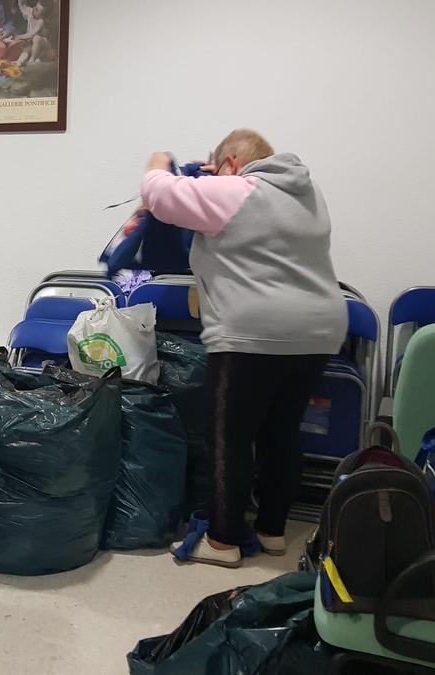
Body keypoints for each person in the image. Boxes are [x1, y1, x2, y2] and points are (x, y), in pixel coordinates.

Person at [136, 129, 347, 568]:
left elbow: (158, 193)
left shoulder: (234, 190)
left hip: (254, 331)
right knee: (282, 432)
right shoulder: (305, 194)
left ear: (231, 163)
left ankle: (223, 540)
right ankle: (272, 531)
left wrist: (159, 160)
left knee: (230, 437)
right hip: (320, 328)